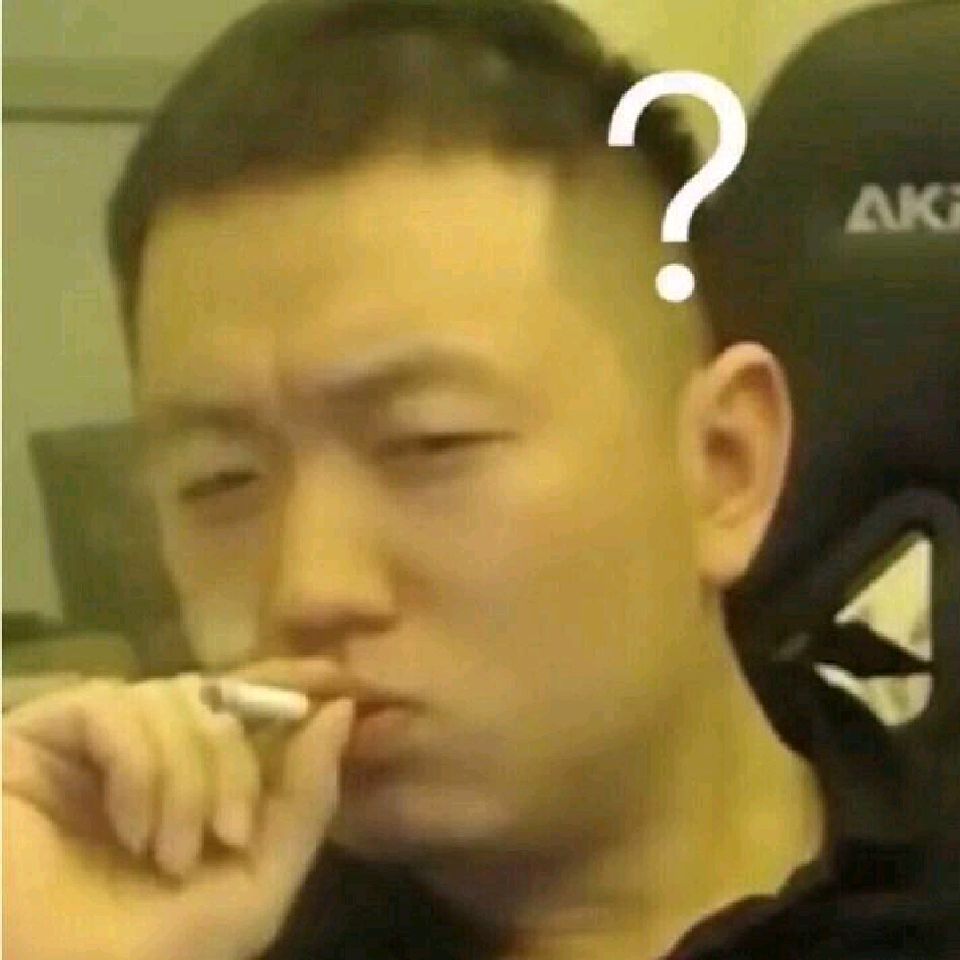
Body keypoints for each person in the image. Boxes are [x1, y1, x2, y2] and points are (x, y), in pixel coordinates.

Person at [2, 2, 953, 958]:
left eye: (429, 443)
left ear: (721, 467)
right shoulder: (184, 927)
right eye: (218, 481)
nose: (309, 590)